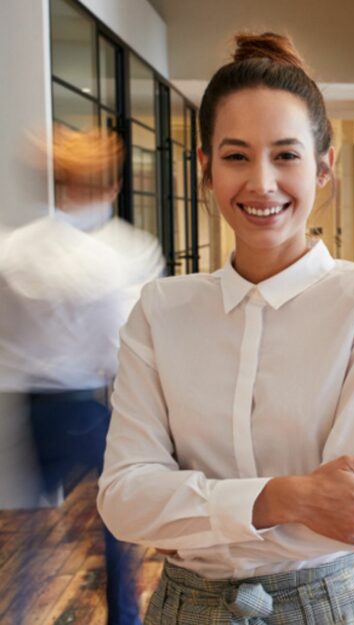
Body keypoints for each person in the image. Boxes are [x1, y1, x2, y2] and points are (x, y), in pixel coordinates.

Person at [97, 33, 354, 625]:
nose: (262, 183)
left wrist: (190, 522)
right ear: (206, 168)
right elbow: (122, 501)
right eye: (237, 155)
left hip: (322, 605)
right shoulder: (160, 309)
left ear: (323, 169)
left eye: (286, 155)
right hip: (183, 609)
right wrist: (288, 498)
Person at [0, 126, 164, 625]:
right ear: (114, 185)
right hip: (90, 404)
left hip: (29, 406)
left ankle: (20, 611)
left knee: (29, 537)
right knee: (116, 523)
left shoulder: (13, 251)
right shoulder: (124, 256)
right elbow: (124, 346)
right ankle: (123, 618)